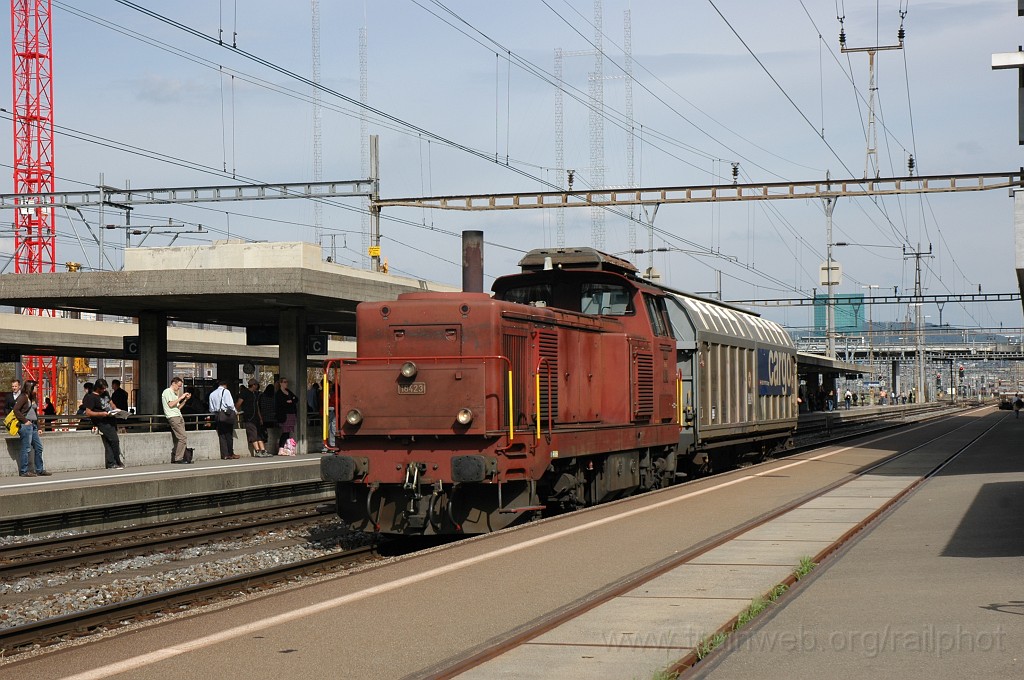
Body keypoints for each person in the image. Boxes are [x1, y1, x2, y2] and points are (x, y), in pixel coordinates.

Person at [83, 379, 125, 470]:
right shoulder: (91, 397)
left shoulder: (106, 394)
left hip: (111, 419)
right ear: (97, 388)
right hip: (102, 421)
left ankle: (111, 463)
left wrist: (116, 410)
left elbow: (111, 403)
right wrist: (101, 414)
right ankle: (116, 461)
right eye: (102, 388)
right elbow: (88, 412)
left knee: (109, 442)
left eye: (105, 388)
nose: (104, 390)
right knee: (114, 440)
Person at [13, 380, 51, 477]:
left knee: (38, 447)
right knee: (26, 448)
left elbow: (35, 414)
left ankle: (39, 469)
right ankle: (24, 471)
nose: (37, 388)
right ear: (30, 387)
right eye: (36, 387)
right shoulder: (23, 397)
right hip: (26, 426)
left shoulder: (33, 398)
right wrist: (25, 421)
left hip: (33, 425)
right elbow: (16, 410)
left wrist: (38, 427)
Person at [162, 377, 193, 464]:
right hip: (173, 417)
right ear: (173, 383)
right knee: (183, 437)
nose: (179, 388)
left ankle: (177, 456)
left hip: (178, 415)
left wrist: (185, 399)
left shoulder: (174, 394)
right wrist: (181, 397)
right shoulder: (167, 391)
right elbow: (171, 404)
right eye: (178, 386)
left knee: (180, 438)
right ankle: (178, 458)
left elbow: (178, 407)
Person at [237, 379, 269, 457]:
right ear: (253, 385)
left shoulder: (255, 394)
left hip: (256, 416)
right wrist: (236, 411)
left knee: (259, 434)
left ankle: (263, 450)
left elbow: (257, 406)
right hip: (249, 417)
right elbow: (239, 403)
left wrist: (260, 417)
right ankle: (257, 450)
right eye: (256, 385)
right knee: (253, 433)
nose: (257, 386)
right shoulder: (244, 393)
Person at [208, 379, 239, 459]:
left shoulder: (212, 394)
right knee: (229, 435)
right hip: (226, 415)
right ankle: (230, 453)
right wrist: (235, 411)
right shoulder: (226, 392)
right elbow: (230, 404)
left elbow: (211, 409)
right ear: (225, 385)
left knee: (221, 435)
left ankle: (224, 455)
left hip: (218, 415)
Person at [275, 376, 299, 450]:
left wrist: (291, 401)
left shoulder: (288, 391)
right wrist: (288, 401)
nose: (286, 383)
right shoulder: (278, 393)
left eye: (287, 382)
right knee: (285, 432)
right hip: (284, 414)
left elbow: (296, 399)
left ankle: (286, 447)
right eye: (285, 382)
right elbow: (281, 403)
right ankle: (281, 447)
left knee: (288, 432)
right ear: (281, 383)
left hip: (291, 413)